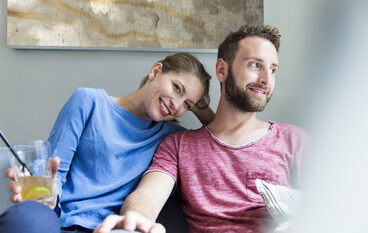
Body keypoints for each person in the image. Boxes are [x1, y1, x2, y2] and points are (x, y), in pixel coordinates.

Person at [93, 25, 310, 233]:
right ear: (222, 70)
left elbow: (337, 201)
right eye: (256, 65)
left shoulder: (293, 140)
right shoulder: (179, 145)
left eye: (273, 70)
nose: (266, 79)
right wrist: (137, 218)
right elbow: (148, 195)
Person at [2, 52, 213, 233]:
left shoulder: (173, 138)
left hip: (111, 229)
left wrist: (201, 107)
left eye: (187, 104)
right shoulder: (89, 101)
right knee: (28, 217)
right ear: (155, 71)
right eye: (177, 88)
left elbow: (221, 136)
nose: (176, 105)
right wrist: (48, 194)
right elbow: (55, 174)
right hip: (59, 223)